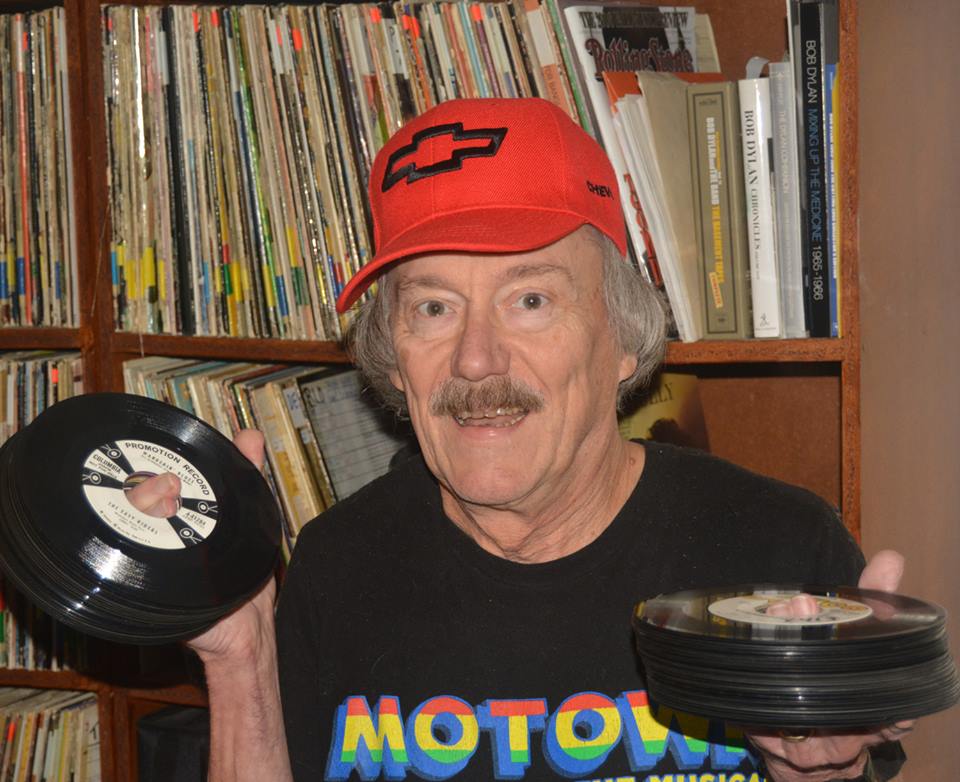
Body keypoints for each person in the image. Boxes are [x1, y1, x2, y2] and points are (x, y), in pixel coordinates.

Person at [132, 98, 911, 781]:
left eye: (530, 299)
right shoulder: (337, 564)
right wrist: (239, 660)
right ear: (393, 358)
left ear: (623, 339)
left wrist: (818, 775)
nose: (476, 360)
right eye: (433, 308)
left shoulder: (778, 551)